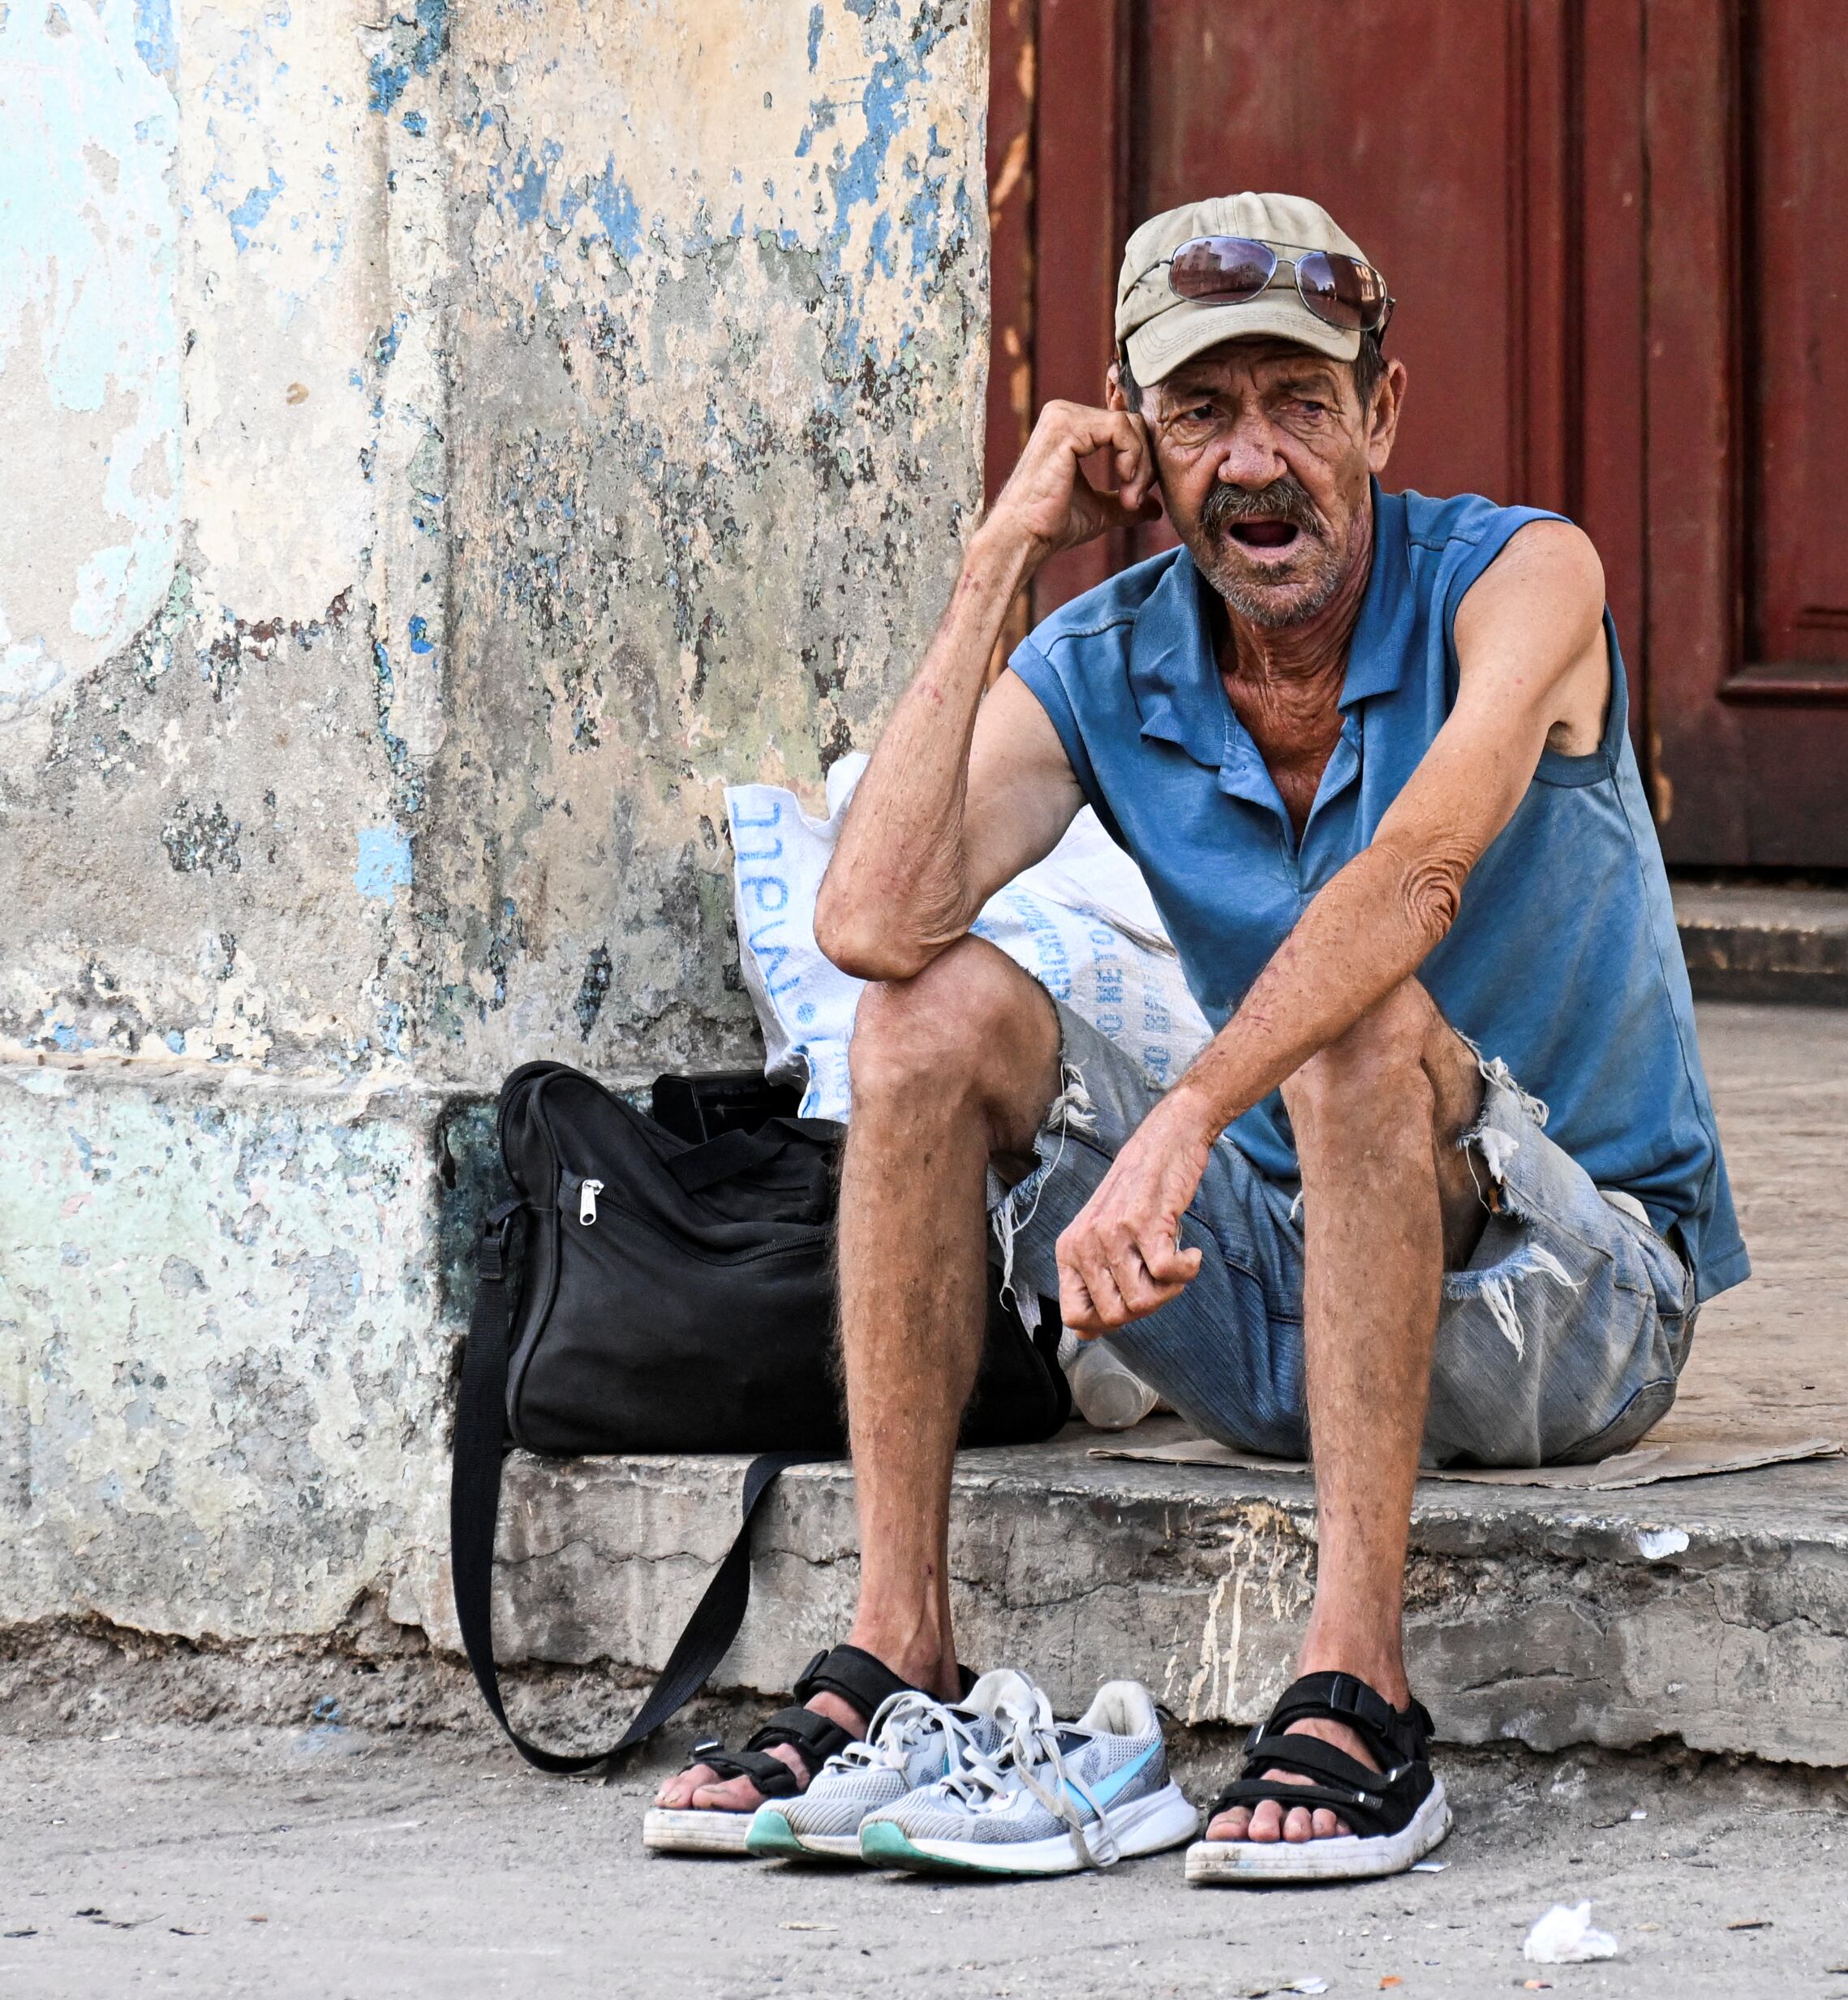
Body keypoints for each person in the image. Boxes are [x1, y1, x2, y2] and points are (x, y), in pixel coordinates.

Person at [647, 191, 1746, 1885]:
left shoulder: (1523, 579)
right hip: (1283, 1306)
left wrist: (1181, 1120)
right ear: (1133, 444)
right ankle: (894, 1653)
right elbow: (868, 923)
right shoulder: (1108, 652)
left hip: (1571, 1304)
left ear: (1380, 413)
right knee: (925, 1017)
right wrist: (999, 560)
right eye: (1200, 412)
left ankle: (1357, 1688)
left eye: (1300, 403)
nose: (1254, 463)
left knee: (1352, 1026)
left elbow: (1417, 876)